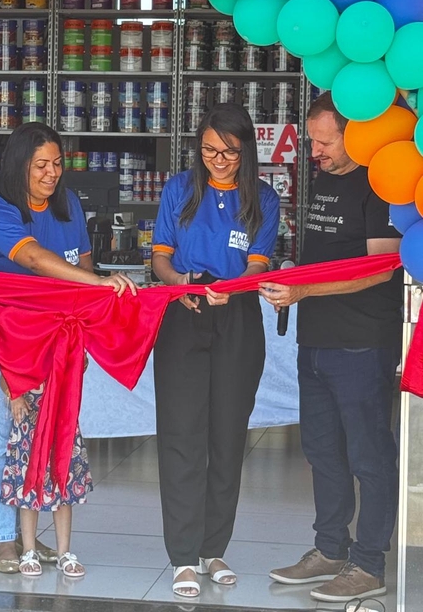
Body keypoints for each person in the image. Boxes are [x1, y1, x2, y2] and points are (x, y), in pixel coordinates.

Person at [0, 122, 136, 577]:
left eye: (57, 164)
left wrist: (89, 322)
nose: (52, 173)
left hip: (49, 329)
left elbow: (82, 264)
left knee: (46, 431)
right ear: (20, 166)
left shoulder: (67, 203)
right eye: (41, 166)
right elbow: (33, 258)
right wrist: (95, 282)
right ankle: (3, 539)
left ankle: (32, 540)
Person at [260, 92, 402, 604]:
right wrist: (290, 280)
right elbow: (324, 258)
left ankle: (368, 564)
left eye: (324, 141)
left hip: (362, 342)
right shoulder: (323, 177)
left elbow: (380, 267)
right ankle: (330, 550)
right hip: (316, 337)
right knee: (321, 451)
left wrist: (302, 290)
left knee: (369, 455)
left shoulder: (378, 182)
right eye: (313, 138)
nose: (314, 149)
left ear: (354, 134)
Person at [151, 103, 280, 598]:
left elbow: (258, 265)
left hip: (238, 316)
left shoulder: (262, 199)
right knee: (182, 436)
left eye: (228, 151)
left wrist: (235, 287)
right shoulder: (180, 189)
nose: (218, 159)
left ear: (246, 149)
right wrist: (180, 281)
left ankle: (213, 548)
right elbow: (160, 256)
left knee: (227, 437)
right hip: (183, 311)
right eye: (208, 150)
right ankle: (183, 557)